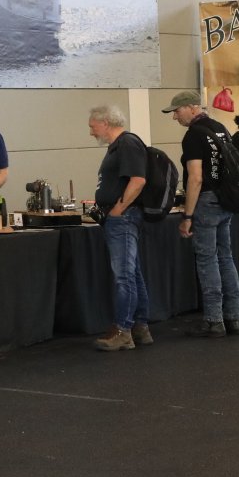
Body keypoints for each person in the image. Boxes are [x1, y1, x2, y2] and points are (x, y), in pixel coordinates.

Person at [165, 92, 239, 338]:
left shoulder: (193, 135)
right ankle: (234, 317)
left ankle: (213, 320)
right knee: (226, 258)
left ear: (191, 107)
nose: (175, 116)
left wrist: (187, 216)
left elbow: (196, 178)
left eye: (177, 111)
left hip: (206, 201)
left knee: (207, 259)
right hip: (226, 199)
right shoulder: (220, 128)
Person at [89, 104, 150, 352]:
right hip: (121, 217)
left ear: (105, 123)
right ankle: (140, 327)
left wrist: (118, 209)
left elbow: (138, 180)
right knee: (133, 273)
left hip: (122, 218)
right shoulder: (120, 146)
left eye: (93, 126)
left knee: (124, 276)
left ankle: (123, 331)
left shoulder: (127, 144)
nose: (91, 132)